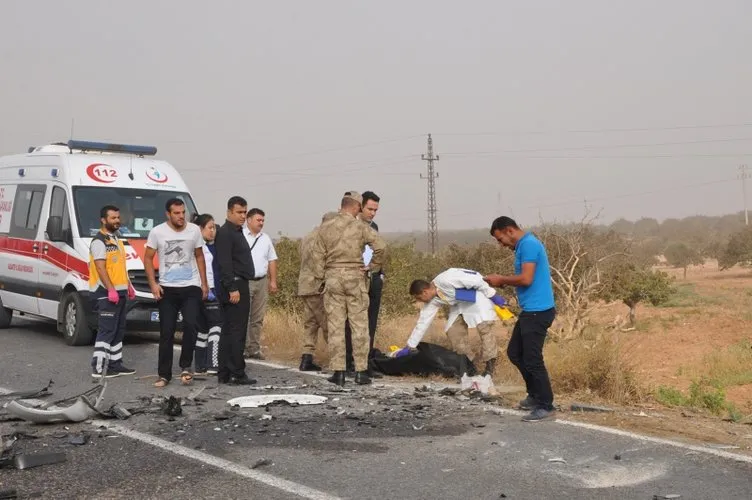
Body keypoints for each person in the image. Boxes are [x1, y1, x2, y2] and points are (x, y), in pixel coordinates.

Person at [484, 216, 557, 422]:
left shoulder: (529, 245)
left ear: (509, 230)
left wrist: (501, 279)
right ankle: (534, 396)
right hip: (530, 310)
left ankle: (546, 405)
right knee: (515, 353)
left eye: (500, 239)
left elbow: (526, 279)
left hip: (538, 311)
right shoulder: (522, 246)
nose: (501, 244)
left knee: (533, 359)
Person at [312, 191, 386, 386]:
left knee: (336, 326)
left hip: (333, 278)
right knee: (359, 325)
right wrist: (372, 266)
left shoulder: (325, 228)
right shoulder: (361, 227)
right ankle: (361, 371)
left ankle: (339, 372)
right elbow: (381, 247)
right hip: (355, 277)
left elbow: (316, 256)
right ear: (355, 206)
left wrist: (322, 278)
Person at [144, 198, 209, 388]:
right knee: (167, 331)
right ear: (168, 214)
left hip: (191, 287)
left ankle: (186, 366)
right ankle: (164, 375)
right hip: (167, 288)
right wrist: (153, 284)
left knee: (190, 325)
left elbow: (199, 256)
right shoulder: (157, 232)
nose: (181, 216)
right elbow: (148, 259)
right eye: (177, 213)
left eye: (183, 213)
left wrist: (204, 284)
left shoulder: (194, 230)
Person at [398, 268, 506, 377]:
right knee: (453, 331)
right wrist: (410, 346)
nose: (419, 301)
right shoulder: (432, 300)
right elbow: (422, 323)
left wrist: (493, 295)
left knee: (485, 329)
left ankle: (489, 369)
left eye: (419, 297)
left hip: (479, 298)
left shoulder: (446, 279)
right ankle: (470, 367)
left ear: (425, 291)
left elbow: (477, 280)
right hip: (460, 304)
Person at [88, 205, 137, 378]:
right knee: (106, 330)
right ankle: (99, 368)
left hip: (120, 291)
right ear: (103, 220)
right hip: (106, 293)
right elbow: (101, 268)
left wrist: (129, 286)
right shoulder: (99, 241)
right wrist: (111, 289)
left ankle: (115, 365)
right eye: (113, 218)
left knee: (118, 330)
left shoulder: (115, 239)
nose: (117, 220)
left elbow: (119, 267)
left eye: (118, 217)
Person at [215, 196, 256, 385]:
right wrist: (232, 287)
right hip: (234, 286)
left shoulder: (237, 232)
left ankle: (225, 372)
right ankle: (236, 372)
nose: (242, 216)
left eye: (244, 212)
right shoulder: (225, 233)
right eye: (239, 212)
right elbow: (224, 263)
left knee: (230, 330)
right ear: (229, 212)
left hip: (238, 284)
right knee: (236, 331)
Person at [344, 190, 383, 376]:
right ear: (360, 207)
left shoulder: (373, 226)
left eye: (375, 210)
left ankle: (365, 362)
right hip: (354, 279)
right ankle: (350, 362)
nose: (372, 213)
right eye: (369, 209)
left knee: (370, 322)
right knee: (352, 322)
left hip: (372, 278)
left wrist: (375, 269)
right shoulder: (349, 225)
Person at [296, 211, 338, 371]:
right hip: (318, 286)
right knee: (328, 323)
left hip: (305, 285)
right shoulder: (325, 238)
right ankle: (339, 361)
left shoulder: (307, 237)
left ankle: (306, 357)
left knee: (311, 324)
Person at [242, 208, 279, 360]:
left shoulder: (265, 238)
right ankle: (242, 347)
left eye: (263, 220)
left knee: (257, 317)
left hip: (261, 281)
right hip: (246, 281)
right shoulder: (241, 236)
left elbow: (272, 259)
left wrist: (273, 280)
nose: (261, 223)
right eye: (258, 220)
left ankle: (254, 348)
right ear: (249, 220)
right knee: (244, 315)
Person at [194, 213, 221, 375]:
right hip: (208, 289)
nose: (213, 231)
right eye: (210, 227)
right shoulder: (200, 248)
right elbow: (207, 271)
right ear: (200, 229)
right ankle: (213, 363)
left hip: (200, 291)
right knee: (216, 326)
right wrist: (209, 288)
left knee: (202, 329)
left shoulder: (205, 246)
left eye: (214, 228)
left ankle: (199, 365)